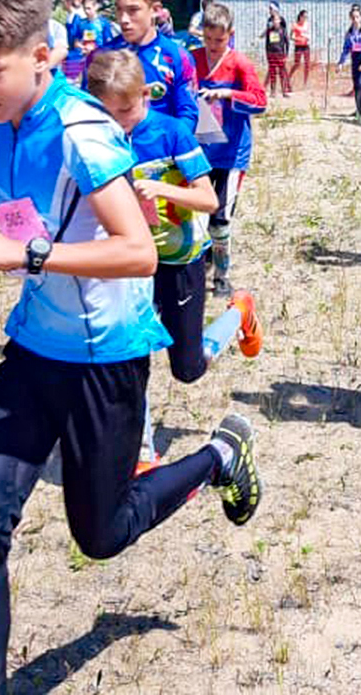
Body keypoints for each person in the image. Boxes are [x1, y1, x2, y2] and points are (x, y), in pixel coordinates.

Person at [0, 0, 263, 695]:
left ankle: (217, 455)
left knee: (102, 534)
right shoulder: (2, 123)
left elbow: (139, 253)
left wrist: (26, 251)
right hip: (33, 351)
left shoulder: (85, 132)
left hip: (105, 359)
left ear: (42, 54)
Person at [85, 50, 265, 469]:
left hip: (179, 260)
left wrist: (162, 191)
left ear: (146, 94)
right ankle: (143, 452)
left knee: (187, 369)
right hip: (129, 261)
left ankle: (238, 315)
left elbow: (209, 198)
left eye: (128, 109)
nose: (122, 121)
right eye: (112, 113)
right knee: (130, 354)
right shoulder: (102, 138)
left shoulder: (171, 134)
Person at [192, 2, 268, 297]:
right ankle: (201, 263)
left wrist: (227, 94)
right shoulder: (192, 59)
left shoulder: (239, 64)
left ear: (230, 35)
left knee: (221, 217)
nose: (212, 46)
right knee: (196, 214)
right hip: (199, 150)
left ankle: (222, 275)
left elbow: (260, 101)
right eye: (207, 39)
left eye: (219, 40)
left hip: (231, 153)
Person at [97, 0, 201, 131]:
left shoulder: (178, 57)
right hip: (113, 152)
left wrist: (169, 146)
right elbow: (86, 111)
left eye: (133, 10)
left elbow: (188, 114)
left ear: (155, 10)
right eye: (119, 9)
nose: (123, 19)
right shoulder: (100, 57)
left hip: (160, 153)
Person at [340, 6, 361, 115]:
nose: (355, 19)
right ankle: (358, 109)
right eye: (353, 17)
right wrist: (341, 62)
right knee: (356, 85)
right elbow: (346, 48)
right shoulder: (349, 32)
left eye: (357, 17)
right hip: (355, 58)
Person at [262, 3, 292, 97]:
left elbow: (287, 41)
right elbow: (267, 41)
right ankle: (273, 91)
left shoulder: (282, 29)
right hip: (271, 53)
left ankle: (284, 90)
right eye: (273, 21)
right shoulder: (269, 29)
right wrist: (267, 52)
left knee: (282, 72)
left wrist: (286, 53)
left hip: (280, 53)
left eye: (276, 20)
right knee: (272, 73)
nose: (274, 22)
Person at [289, 9, 313, 89]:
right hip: (298, 46)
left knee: (307, 64)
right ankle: (289, 77)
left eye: (306, 17)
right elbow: (291, 36)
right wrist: (297, 38)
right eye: (304, 17)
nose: (305, 18)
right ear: (300, 16)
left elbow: (309, 35)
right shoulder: (295, 25)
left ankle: (305, 83)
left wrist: (306, 36)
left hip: (306, 46)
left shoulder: (307, 25)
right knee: (297, 63)